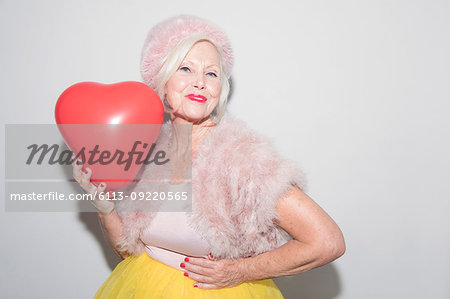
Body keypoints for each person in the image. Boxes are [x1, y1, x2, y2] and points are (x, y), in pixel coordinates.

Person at [73, 15, 345, 298]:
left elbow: (327, 241)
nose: (200, 82)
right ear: (163, 80)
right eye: (186, 69)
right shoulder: (148, 149)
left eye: (211, 73)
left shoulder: (242, 158)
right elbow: (128, 251)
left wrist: (240, 271)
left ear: (220, 88)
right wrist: (103, 207)